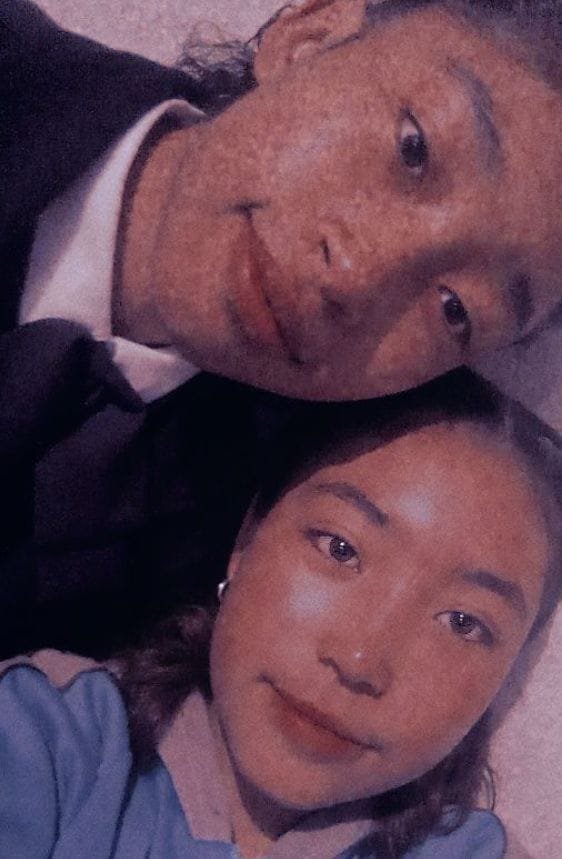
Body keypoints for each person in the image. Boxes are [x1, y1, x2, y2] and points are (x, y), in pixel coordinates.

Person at [2, 0, 562, 655]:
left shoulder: (237, 533)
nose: (356, 276)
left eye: (456, 308)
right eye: (413, 150)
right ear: (308, 36)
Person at [0, 370, 560, 857]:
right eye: (340, 548)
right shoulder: (46, 740)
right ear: (247, 539)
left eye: (464, 622)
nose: (359, 660)